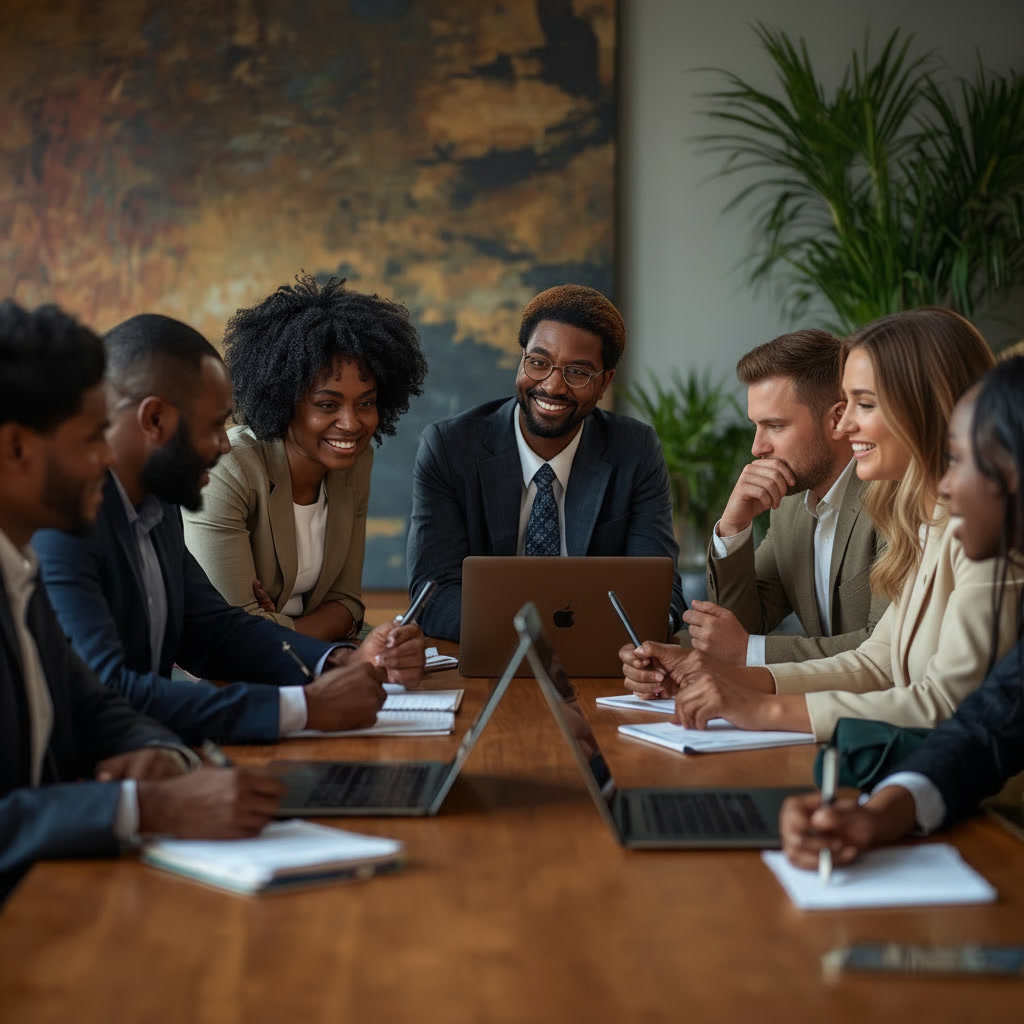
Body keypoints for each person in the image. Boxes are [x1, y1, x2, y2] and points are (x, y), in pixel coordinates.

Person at [619, 308, 1021, 741]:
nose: (847, 424)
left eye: (863, 404)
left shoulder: (981, 534)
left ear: (919, 408)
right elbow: (876, 661)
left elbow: (942, 703)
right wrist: (713, 673)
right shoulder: (916, 520)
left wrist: (759, 703)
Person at [0, 301, 285, 901]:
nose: (108, 458)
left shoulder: (17, 571)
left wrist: (163, 759)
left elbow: (96, 706)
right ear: (16, 450)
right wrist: (141, 806)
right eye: (89, 440)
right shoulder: (48, 553)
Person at [33, 313, 423, 747]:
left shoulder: (157, 505)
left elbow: (215, 632)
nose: (224, 443)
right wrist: (305, 708)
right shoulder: (61, 523)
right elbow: (109, 690)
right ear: (156, 420)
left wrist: (337, 662)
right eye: (214, 425)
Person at [780, 356, 1024, 867]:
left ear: (1010, 474)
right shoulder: (925, 524)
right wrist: (879, 814)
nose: (944, 483)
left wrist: (760, 706)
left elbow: (948, 705)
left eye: (957, 460)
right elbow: (983, 732)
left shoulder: (973, 546)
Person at [407, 284, 684, 641]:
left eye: (579, 372)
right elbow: (433, 593)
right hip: (492, 653)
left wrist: (648, 627)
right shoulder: (449, 447)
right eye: (539, 363)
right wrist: (534, 636)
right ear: (522, 359)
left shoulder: (635, 450)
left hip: (601, 661)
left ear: (604, 383)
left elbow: (657, 591)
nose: (552, 386)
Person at [183, 275, 427, 642]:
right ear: (284, 401)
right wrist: (304, 629)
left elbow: (348, 604)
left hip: (318, 661)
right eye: (327, 405)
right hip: (227, 682)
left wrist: (276, 625)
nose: (351, 423)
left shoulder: (356, 464)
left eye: (366, 403)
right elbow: (231, 636)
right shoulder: (230, 469)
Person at [687, 329, 888, 665]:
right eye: (756, 425)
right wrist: (734, 526)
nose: (757, 447)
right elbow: (743, 626)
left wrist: (748, 651)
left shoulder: (892, 499)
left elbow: (886, 650)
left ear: (838, 419)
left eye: (775, 426)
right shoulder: (790, 506)